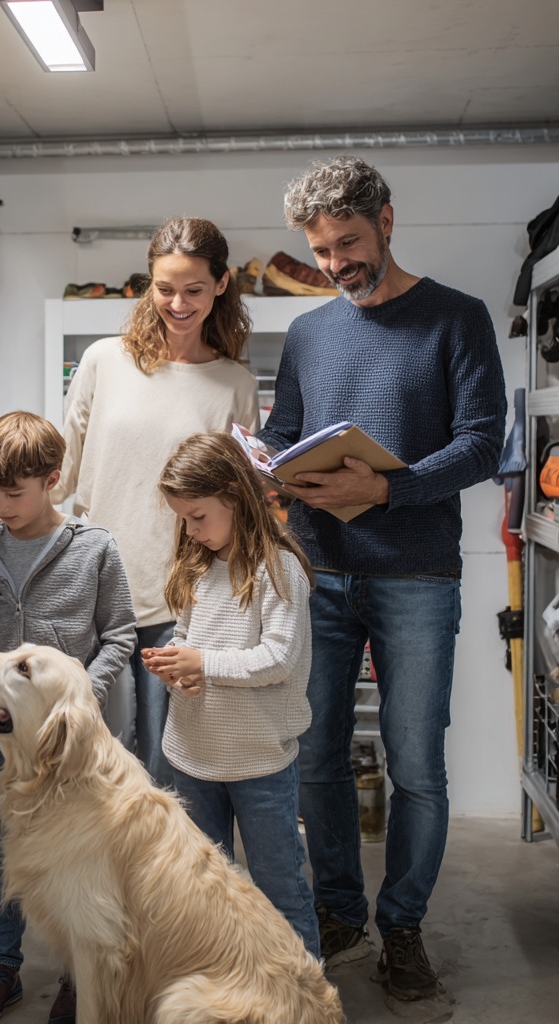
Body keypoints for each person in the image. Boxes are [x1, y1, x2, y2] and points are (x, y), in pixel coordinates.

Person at [259, 155, 506, 1002]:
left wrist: (387, 489)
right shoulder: (309, 332)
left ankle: (402, 925)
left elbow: (480, 443)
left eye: (349, 243)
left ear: (388, 221)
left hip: (417, 577)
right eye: (322, 250)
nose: (336, 264)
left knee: (417, 767)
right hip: (316, 571)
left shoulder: (457, 319)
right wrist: (267, 465)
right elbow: (287, 429)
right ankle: (338, 912)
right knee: (315, 760)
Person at [0, 217, 260, 788]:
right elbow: (62, 467)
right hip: (87, 595)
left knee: (162, 771)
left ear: (220, 285)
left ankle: (151, 879)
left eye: (194, 289)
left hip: (181, 602)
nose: (178, 302)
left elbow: (235, 503)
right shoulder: (105, 360)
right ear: (148, 284)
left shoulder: (235, 385)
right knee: (79, 766)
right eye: (164, 287)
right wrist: (2, 508)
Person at [0, 410, 136, 1024]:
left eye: (12, 492)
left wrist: (83, 693)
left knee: (86, 854)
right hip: (7, 739)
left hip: (78, 742)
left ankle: (83, 974)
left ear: (53, 478)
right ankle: (4, 964)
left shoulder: (94, 549)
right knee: (3, 848)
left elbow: (121, 634)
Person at [141, 431, 320, 959]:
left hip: (259, 762)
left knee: (279, 888)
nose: (192, 531)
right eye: (183, 520)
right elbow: (188, 639)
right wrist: (180, 667)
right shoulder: (198, 564)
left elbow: (278, 660)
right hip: (192, 757)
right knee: (205, 893)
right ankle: (226, 992)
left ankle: (305, 1000)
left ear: (235, 497)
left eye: (198, 516)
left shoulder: (279, 570)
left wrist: (204, 665)